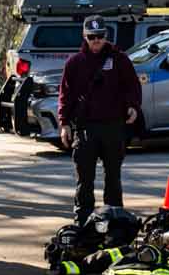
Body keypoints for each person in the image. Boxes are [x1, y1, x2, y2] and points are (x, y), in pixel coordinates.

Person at [56, 16, 140, 222]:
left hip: (113, 126)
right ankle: (83, 220)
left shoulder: (119, 59)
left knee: (113, 177)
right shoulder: (74, 63)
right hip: (85, 127)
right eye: (91, 37)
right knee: (84, 179)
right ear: (84, 37)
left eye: (100, 36)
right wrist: (64, 123)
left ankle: (115, 218)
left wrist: (132, 107)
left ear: (106, 36)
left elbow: (132, 86)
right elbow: (65, 94)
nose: (96, 41)